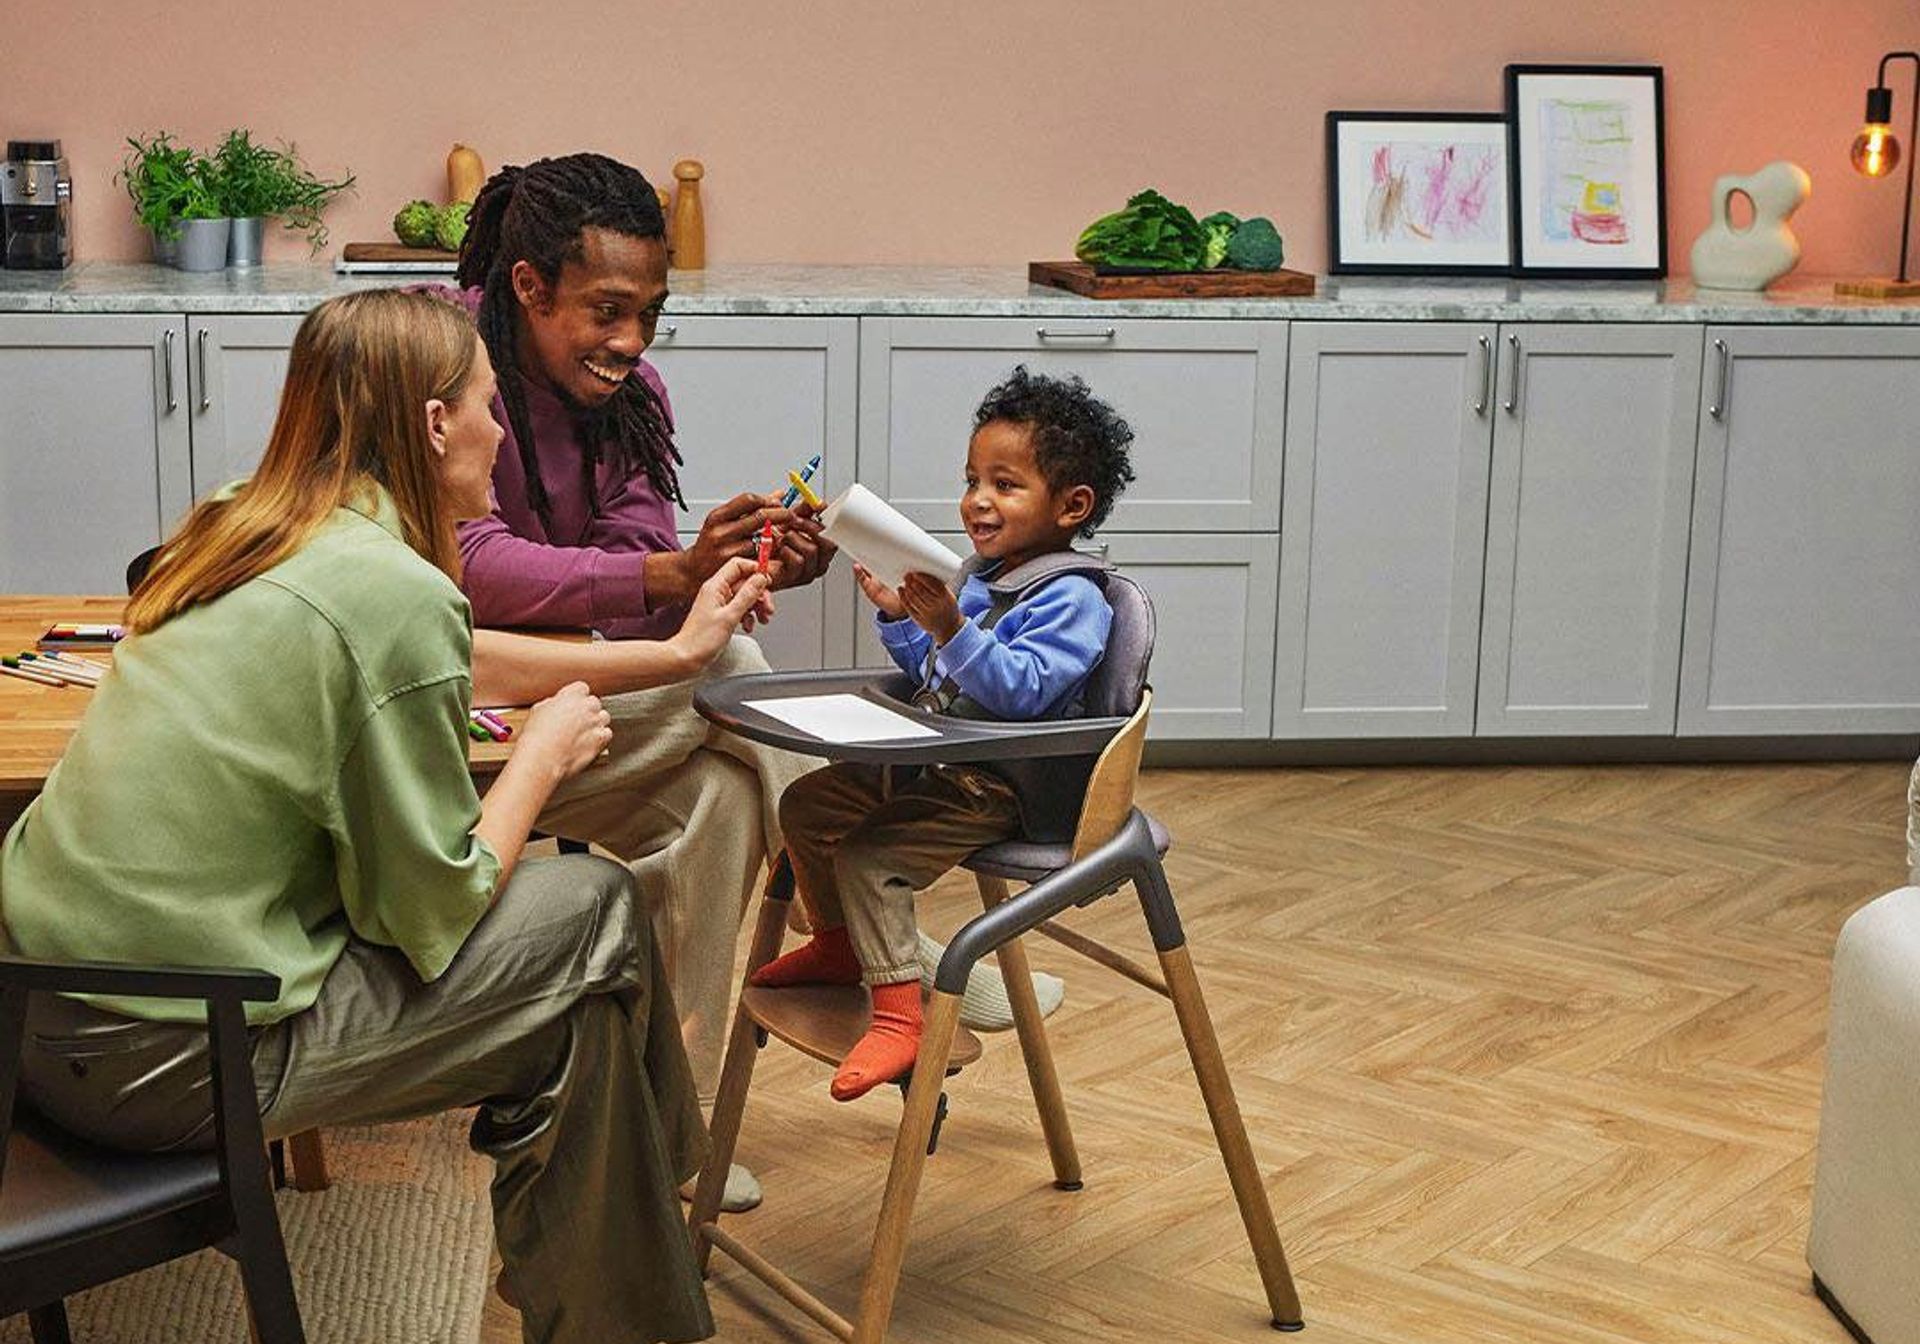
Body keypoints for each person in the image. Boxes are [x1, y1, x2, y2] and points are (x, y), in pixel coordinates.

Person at [0, 290, 769, 1344]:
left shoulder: (242, 523)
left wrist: (675, 655)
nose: (500, 434)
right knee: (590, 908)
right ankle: (655, 1202)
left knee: (573, 1020)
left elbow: (444, 655)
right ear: (433, 422)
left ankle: (622, 1281)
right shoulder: (389, 592)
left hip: (35, 1018)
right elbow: (434, 911)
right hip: (171, 1062)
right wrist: (535, 764)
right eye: (489, 406)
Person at [437, 154, 1055, 1195]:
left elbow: (639, 571)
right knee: (724, 666)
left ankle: (669, 1126)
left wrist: (717, 567)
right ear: (529, 288)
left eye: (651, 312)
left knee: (723, 791)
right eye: (606, 310)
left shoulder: (633, 395)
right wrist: (666, 579)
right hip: (451, 710)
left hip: (568, 706)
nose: (631, 342)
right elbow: (470, 564)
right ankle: (866, 924)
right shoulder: (444, 363)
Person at [750, 366, 1137, 1100]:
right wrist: (906, 617)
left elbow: (1019, 693)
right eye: (972, 480)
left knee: (872, 859)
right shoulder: (984, 577)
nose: (977, 502)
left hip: (1005, 785)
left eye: (1005, 484)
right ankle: (836, 946)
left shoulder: (1073, 600)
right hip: (944, 761)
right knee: (808, 807)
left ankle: (901, 1018)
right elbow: (944, 675)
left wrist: (953, 626)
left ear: (1072, 505)